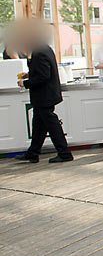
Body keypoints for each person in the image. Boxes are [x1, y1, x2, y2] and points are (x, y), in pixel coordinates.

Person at [15, 20, 73, 164]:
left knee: (51, 124)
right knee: (39, 124)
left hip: (44, 95)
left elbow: (43, 76)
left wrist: (25, 83)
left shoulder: (39, 52)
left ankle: (64, 153)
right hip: (45, 95)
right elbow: (42, 72)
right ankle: (33, 153)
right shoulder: (44, 49)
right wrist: (29, 74)